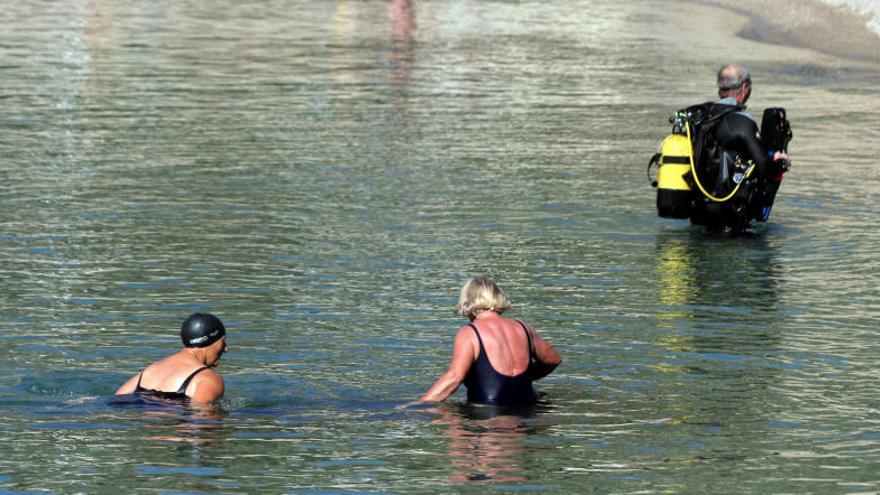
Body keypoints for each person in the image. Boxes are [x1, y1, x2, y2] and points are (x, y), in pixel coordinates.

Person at [420, 277, 561, 406]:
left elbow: (454, 377)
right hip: (528, 404)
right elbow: (553, 360)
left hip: (489, 412)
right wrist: (526, 379)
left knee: (454, 429)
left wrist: (419, 405)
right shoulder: (523, 327)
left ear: (467, 302)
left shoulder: (469, 332)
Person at [690, 63, 792, 230]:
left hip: (698, 212)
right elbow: (765, 166)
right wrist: (780, 163)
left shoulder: (701, 117)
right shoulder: (742, 122)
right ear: (744, 88)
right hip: (730, 217)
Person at [115, 313, 228, 404]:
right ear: (208, 340)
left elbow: (116, 400)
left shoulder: (151, 369)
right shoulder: (208, 378)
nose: (225, 348)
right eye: (222, 342)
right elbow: (201, 419)